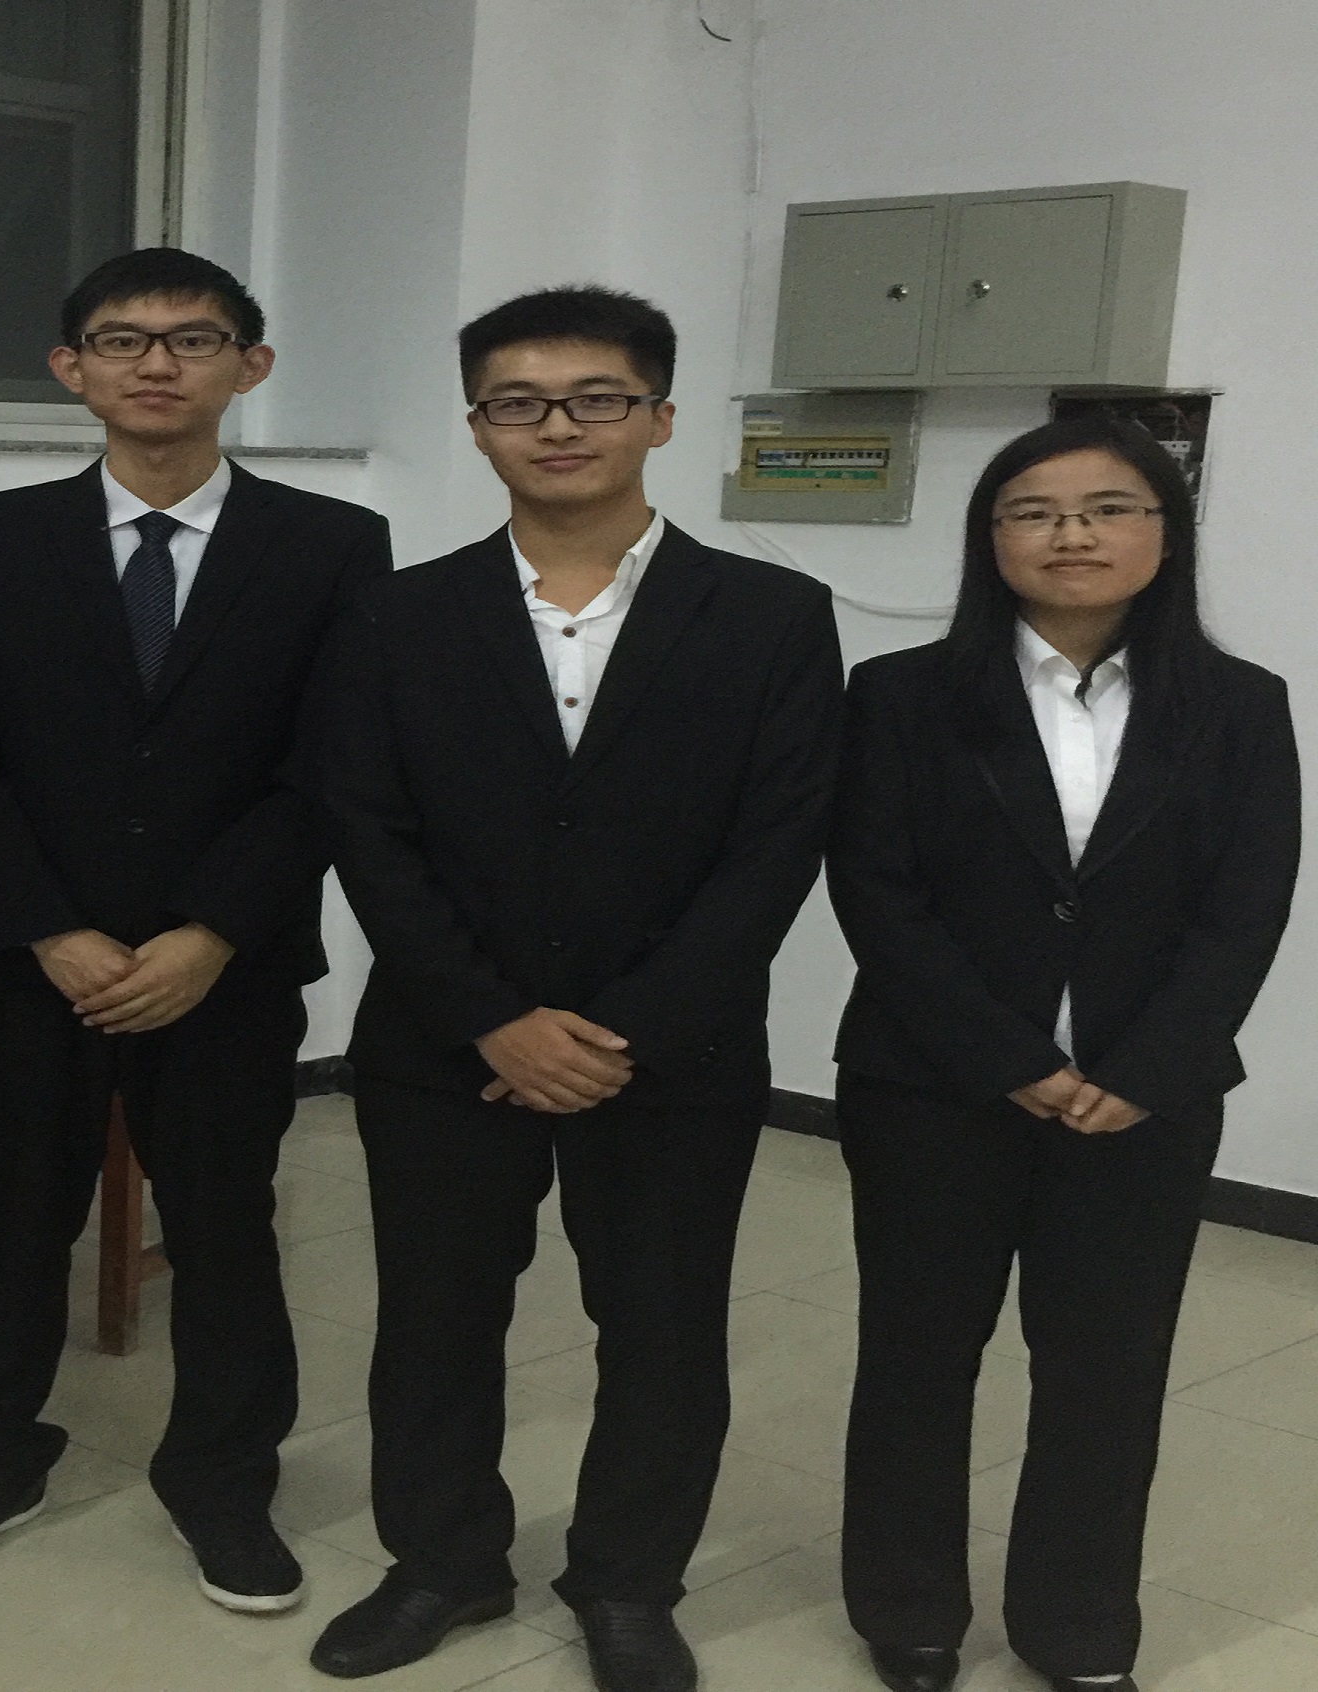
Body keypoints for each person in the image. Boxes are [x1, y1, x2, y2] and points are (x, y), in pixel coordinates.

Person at [305, 286, 844, 1688]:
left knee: (662, 1332)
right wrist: (491, 1016)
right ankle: (441, 1565)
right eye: (519, 403)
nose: (558, 426)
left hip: (673, 1053)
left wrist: (625, 1031)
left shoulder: (773, 616)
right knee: (434, 1324)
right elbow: (369, 831)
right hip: (446, 1046)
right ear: (477, 426)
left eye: (597, 398)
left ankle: (628, 1584)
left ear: (657, 418)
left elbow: (778, 844)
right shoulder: (395, 615)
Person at [0, 248, 389, 1612]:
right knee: (12, 1219)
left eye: (193, 339)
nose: (157, 363)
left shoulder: (332, 545)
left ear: (250, 365)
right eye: (122, 339)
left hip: (227, 967)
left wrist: (211, 932)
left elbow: (333, 763)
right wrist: (48, 928)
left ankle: (224, 1480)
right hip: (33, 962)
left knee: (225, 1228)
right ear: (72, 369)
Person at [827, 417, 1299, 1692]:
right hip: (933, 1087)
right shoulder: (902, 696)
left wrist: (1147, 1068)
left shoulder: (1241, 705)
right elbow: (876, 892)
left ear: (1165, 533)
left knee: (1107, 1371)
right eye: (1033, 511)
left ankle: (1078, 1627)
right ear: (991, 540)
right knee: (918, 1353)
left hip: (1145, 1103)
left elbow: (1249, 902)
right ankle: (909, 1611)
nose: (1072, 534)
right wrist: (1006, 1056)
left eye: (1109, 508)